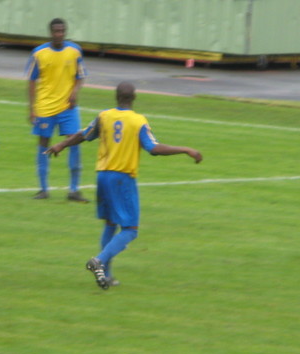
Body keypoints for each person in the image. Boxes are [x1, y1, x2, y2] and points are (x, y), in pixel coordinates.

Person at [46, 81, 202, 289]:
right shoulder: (138, 121)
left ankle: (106, 276)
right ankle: (99, 261)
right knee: (130, 229)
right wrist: (185, 149)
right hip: (122, 179)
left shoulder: (104, 116)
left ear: (116, 97)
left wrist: (61, 144)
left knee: (110, 224)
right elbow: (153, 148)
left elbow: (84, 135)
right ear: (134, 97)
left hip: (102, 176)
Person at [25, 18, 88, 201]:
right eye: (56, 31)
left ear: (65, 32)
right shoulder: (39, 53)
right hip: (45, 108)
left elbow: (80, 75)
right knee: (43, 145)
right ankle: (43, 189)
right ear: (50, 32)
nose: (59, 34)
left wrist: (75, 91)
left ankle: (74, 190)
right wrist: (32, 108)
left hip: (68, 107)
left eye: (62, 31)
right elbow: (31, 81)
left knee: (75, 142)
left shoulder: (74, 51)